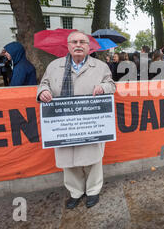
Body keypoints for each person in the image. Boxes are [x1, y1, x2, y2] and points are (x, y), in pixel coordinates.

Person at [37, 31, 116, 210]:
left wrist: (103, 88)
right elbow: (44, 84)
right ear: (68, 45)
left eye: (82, 42)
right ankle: (76, 192)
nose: (78, 45)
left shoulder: (101, 66)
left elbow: (111, 85)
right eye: (74, 42)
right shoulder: (54, 66)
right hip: (63, 122)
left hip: (90, 121)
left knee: (93, 158)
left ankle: (93, 191)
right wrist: (42, 92)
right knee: (68, 159)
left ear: (89, 46)